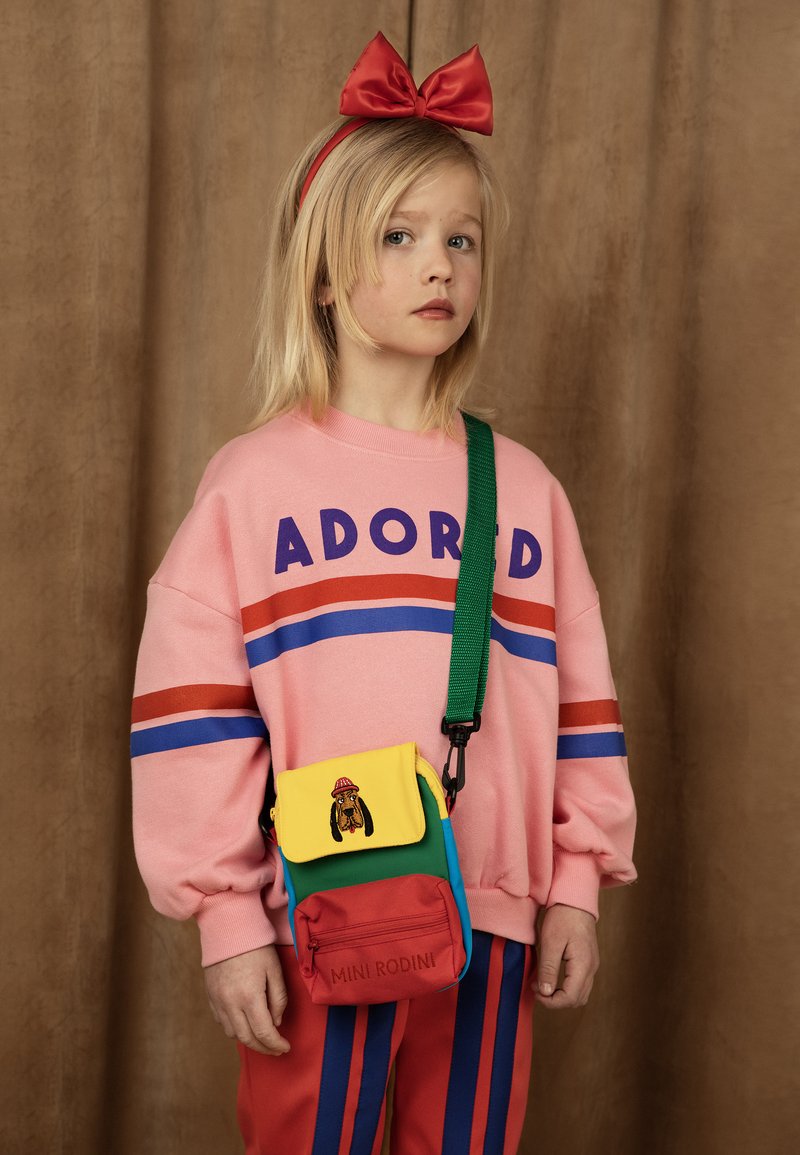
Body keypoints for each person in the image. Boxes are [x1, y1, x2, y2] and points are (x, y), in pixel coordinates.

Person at [130, 32, 637, 1155]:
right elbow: (192, 715)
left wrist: (574, 882)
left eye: (461, 239)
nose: (438, 266)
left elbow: (582, 705)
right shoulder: (252, 484)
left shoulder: (524, 489)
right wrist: (226, 914)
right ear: (322, 272)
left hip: (494, 919)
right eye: (398, 237)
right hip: (326, 911)